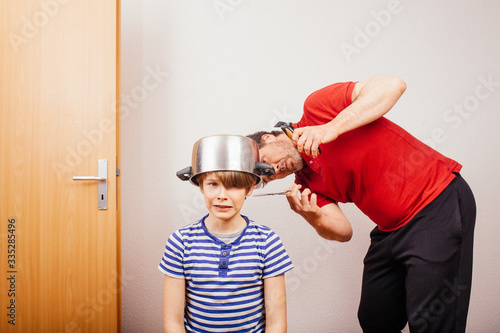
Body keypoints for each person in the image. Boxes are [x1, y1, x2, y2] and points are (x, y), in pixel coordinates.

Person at [247, 75, 476, 333]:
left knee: (431, 322)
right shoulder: (306, 184)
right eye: (269, 175)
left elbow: (393, 85)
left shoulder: (316, 108)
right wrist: (315, 219)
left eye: (267, 161)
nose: (276, 170)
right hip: (392, 230)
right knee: (375, 318)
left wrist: (331, 127)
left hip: (436, 202)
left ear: (268, 138)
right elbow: (344, 231)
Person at [159, 169, 293, 333]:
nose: (222, 195)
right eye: (213, 184)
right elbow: (173, 323)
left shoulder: (268, 242)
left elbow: (276, 324)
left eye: (234, 185)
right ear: (201, 185)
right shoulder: (180, 242)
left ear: (249, 188)